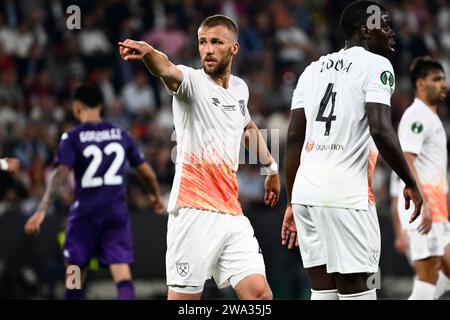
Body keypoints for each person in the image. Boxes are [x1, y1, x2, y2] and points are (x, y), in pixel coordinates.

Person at [119, 14, 280, 300]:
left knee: (259, 295)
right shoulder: (192, 82)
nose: (207, 48)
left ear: (234, 48)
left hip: (231, 212)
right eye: (202, 42)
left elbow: (246, 127)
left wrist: (271, 167)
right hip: (193, 213)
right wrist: (148, 53)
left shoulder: (240, 89)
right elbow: (166, 68)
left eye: (216, 42)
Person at [283, 0, 422, 300]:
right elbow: (381, 129)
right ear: (365, 30)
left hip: (307, 197)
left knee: (323, 294)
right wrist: (411, 182)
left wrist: (292, 201)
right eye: (384, 25)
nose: (391, 32)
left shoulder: (312, 69)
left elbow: (294, 139)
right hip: (347, 198)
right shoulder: (378, 66)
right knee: (363, 292)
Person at [24, 84, 165, 300]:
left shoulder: (72, 137)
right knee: (121, 271)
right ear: (101, 105)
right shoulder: (121, 135)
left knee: (74, 271)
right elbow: (147, 174)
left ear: (76, 108)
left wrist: (43, 207)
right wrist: (155, 197)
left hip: (84, 214)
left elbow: (60, 173)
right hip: (116, 212)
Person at [396, 57, 450, 299]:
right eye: (436, 79)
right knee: (428, 274)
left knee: (444, 275)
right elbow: (407, 160)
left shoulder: (431, 117)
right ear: (420, 84)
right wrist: (424, 203)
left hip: (437, 208)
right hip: (423, 206)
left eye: (444, 79)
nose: (443, 84)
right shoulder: (416, 116)